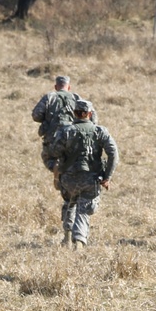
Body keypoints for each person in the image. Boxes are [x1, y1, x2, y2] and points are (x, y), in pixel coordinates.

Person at [48, 99, 118, 248]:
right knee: (84, 209)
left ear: (75, 113)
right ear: (90, 114)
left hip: (68, 180)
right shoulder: (100, 131)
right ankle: (79, 241)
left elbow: (54, 151)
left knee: (69, 203)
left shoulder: (65, 131)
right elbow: (113, 154)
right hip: (90, 179)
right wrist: (107, 177)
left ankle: (67, 236)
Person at [32, 75, 81, 177]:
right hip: (73, 138)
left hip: (53, 138)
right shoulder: (76, 98)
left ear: (55, 87)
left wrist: (47, 119)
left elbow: (36, 115)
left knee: (47, 157)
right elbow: (91, 118)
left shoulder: (49, 97)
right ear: (69, 87)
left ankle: (57, 171)